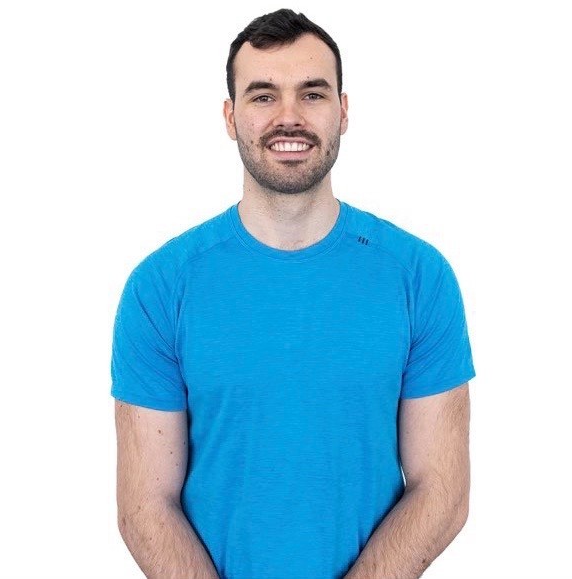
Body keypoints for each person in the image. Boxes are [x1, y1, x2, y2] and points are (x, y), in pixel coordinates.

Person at [111, 8, 476, 579]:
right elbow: (145, 505)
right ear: (230, 117)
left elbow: (442, 490)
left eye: (312, 94)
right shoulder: (160, 288)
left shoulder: (419, 277)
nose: (289, 117)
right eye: (263, 96)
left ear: (343, 111)